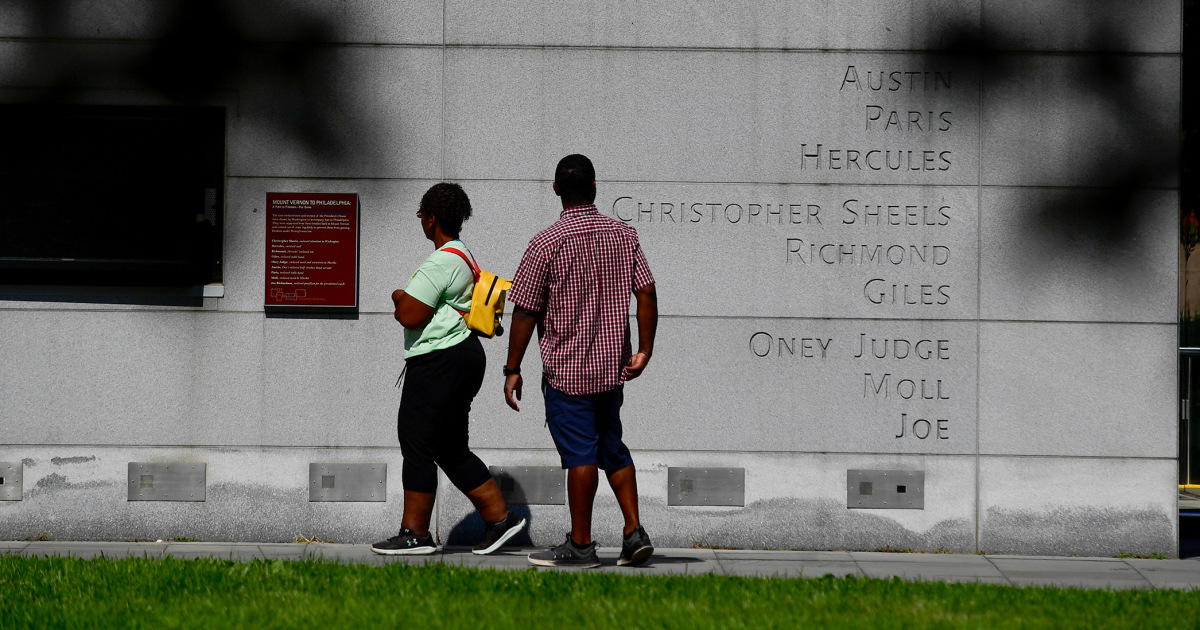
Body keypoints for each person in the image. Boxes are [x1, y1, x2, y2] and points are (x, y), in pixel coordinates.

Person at [503, 154, 658, 568]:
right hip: (613, 370)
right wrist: (644, 349)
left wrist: (512, 367)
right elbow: (646, 291)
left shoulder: (544, 243)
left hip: (567, 374)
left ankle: (582, 546)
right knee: (612, 447)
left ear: (556, 190)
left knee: (581, 457)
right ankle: (633, 532)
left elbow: (525, 311)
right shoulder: (623, 236)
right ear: (593, 188)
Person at [372, 182, 525, 556]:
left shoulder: (442, 260)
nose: (421, 222)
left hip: (440, 360)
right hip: (462, 357)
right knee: (449, 446)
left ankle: (415, 534)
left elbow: (409, 314)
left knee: (417, 440)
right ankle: (499, 519)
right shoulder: (464, 256)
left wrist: (397, 295)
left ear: (432, 219)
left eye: (421, 215)